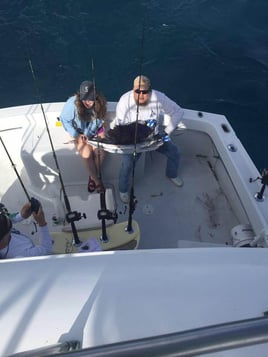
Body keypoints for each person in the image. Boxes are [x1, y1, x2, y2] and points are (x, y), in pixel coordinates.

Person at [113, 75, 184, 203]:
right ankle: (123, 190)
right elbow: (121, 128)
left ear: (150, 91)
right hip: (133, 142)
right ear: (132, 90)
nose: (141, 95)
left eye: (144, 92)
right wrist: (132, 142)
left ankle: (171, 174)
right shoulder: (124, 101)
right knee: (127, 165)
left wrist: (166, 132)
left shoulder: (158, 97)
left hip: (155, 139)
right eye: (137, 91)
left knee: (174, 152)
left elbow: (178, 112)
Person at [59, 80, 107, 193]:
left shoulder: (100, 104)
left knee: (101, 153)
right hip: (79, 133)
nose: (87, 102)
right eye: (84, 98)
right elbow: (64, 120)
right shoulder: (72, 104)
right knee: (86, 153)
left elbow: (100, 120)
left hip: (94, 132)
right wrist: (77, 135)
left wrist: (91, 134)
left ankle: (92, 175)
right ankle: (97, 181)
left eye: (91, 99)